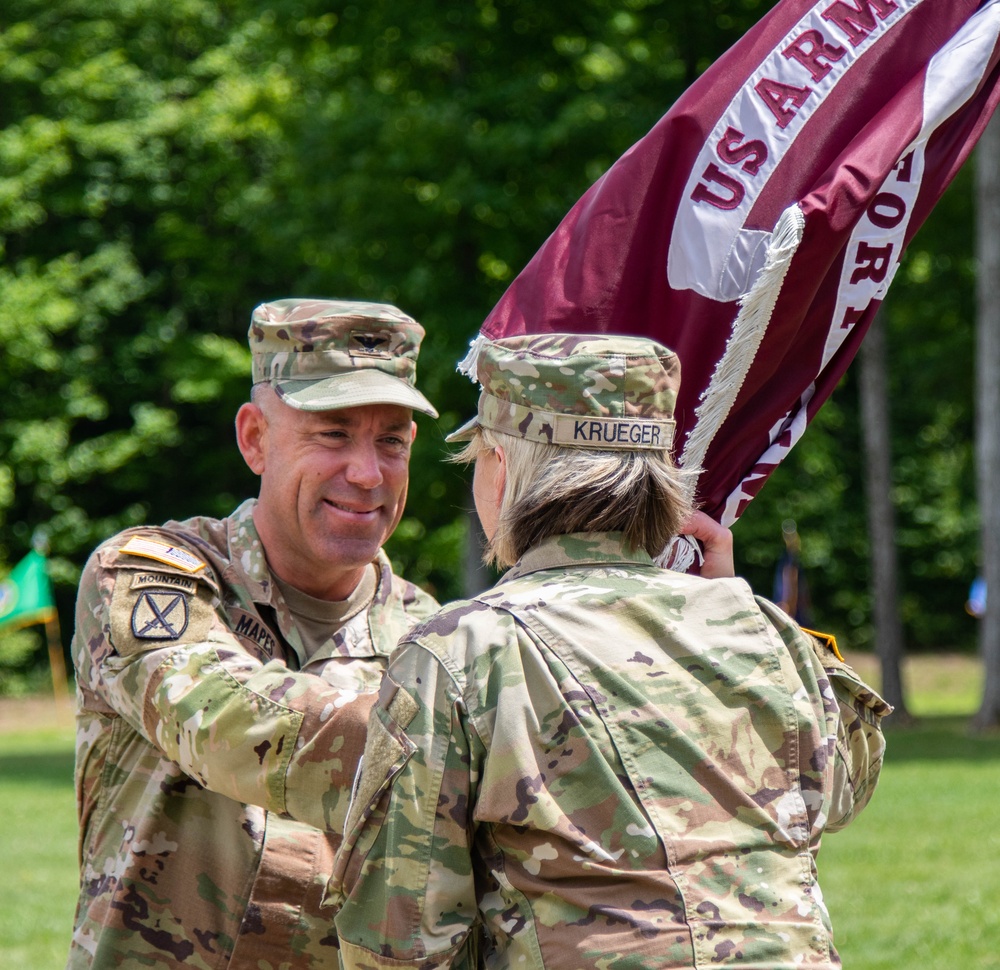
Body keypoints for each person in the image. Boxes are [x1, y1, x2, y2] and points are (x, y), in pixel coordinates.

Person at [331, 333, 891, 970]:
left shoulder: (465, 646)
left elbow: (399, 937)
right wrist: (738, 613)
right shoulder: (762, 626)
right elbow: (846, 789)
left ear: (504, 468)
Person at [68, 299, 441, 969]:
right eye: (332, 433)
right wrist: (472, 735)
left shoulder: (431, 633)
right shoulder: (153, 573)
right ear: (254, 439)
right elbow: (220, 720)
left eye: (392, 439)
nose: (367, 473)